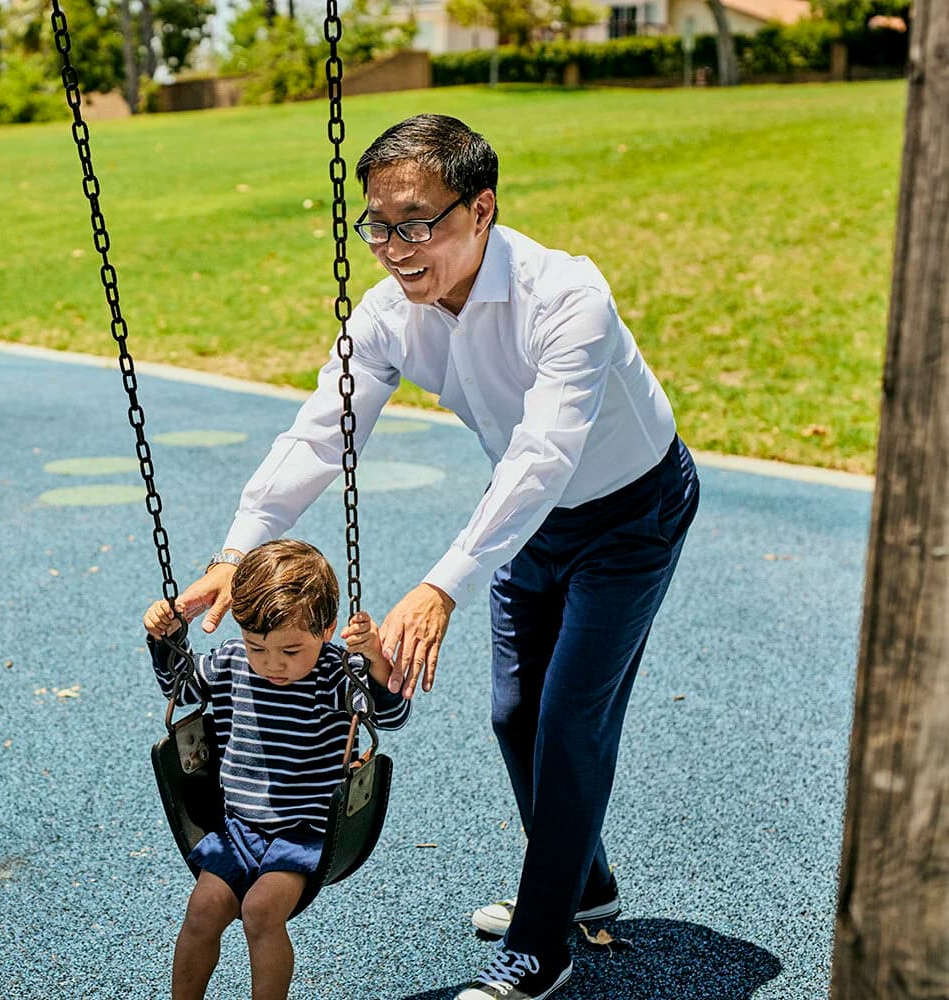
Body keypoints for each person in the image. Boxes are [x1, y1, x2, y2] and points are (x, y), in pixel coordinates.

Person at [176, 115, 701, 1000]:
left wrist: (441, 585)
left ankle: (541, 944)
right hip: (528, 520)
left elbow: (545, 455)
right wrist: (239, 547)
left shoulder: (567, 294)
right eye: (377, 225)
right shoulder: (388, 315)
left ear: (481, 208)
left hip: (630, 513)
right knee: (512, 713)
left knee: (571, 720)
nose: (393, 247)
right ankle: (584, 882)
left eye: (416, 222)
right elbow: (320, 434)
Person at [145, 539, 410, 1000]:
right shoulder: (231, 662)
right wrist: (166, 638)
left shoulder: (333, 674)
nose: (273, 664)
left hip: (304, 834)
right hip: (239, 828)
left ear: (327, 630)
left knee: (261, 910)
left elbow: (388, 716)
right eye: (258, 647)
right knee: (203, 909)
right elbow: (182, 687)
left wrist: (376, 662)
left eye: (291, 651)